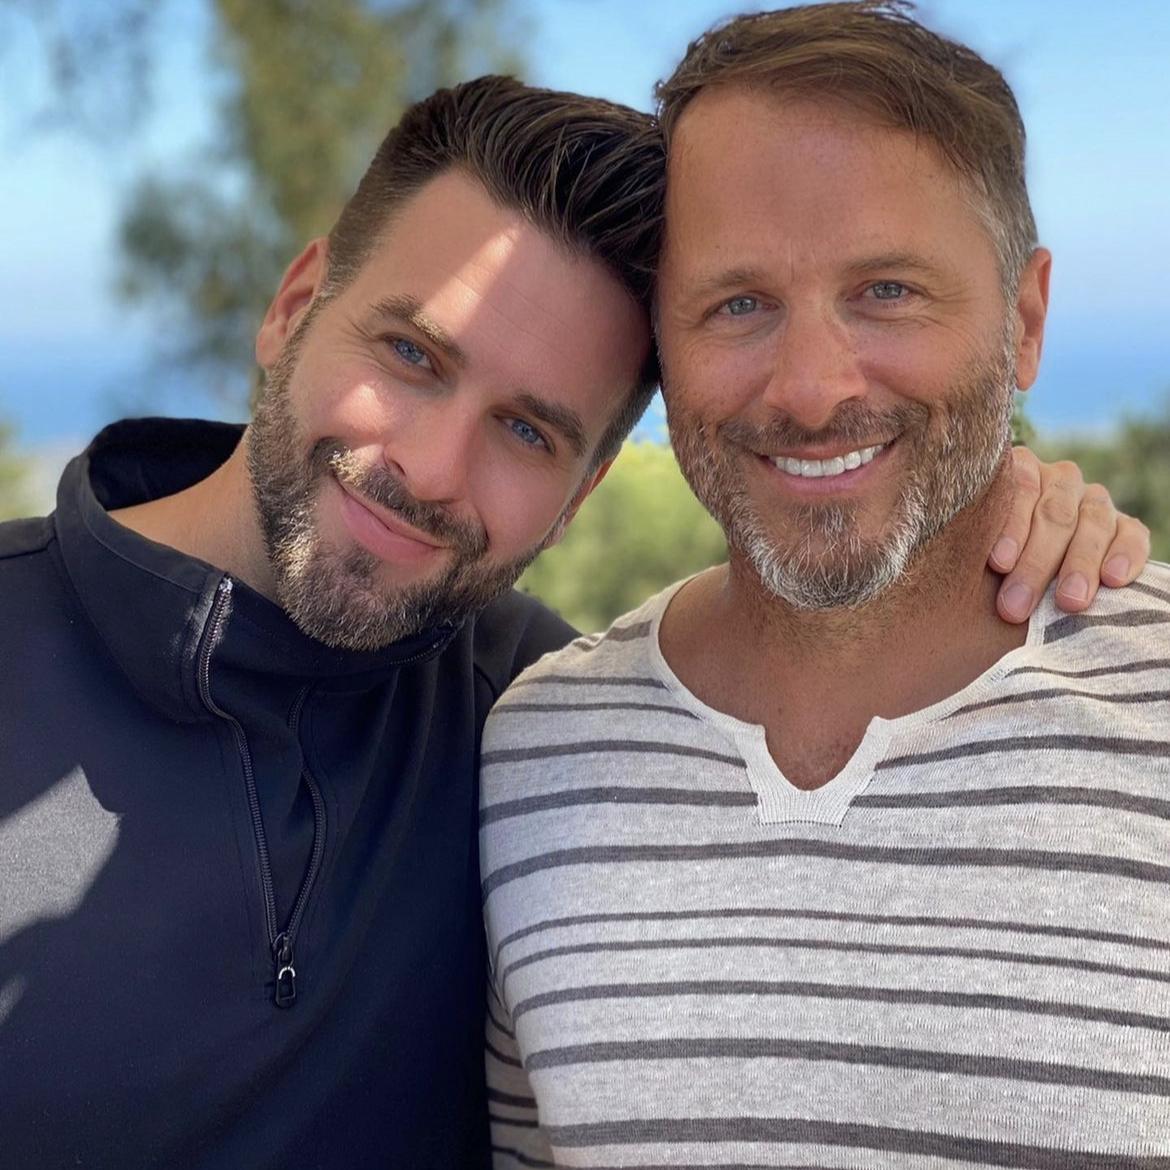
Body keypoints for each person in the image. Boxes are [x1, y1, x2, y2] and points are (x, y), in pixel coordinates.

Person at [0, 63, 1142, 1170]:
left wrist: (992, 493)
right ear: (296, 305)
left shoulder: (532, 715)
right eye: (411, 355)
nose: (431, 469)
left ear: (582, 491)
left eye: (528, 432)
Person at [480, 6, 1170, 1167]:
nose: (809, 389)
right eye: (738, 303)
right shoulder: (535, 760)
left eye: (886, 291)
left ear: (1024, 321)